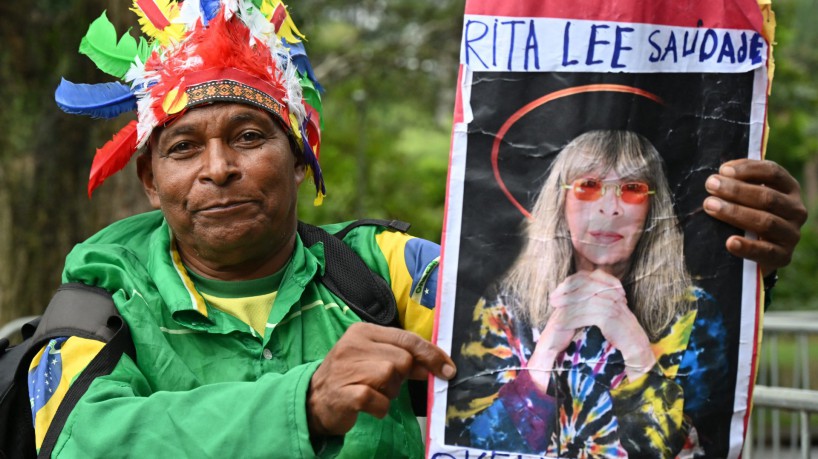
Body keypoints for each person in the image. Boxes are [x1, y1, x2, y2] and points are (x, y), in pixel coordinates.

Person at [27, 1, 806, 458]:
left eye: (251, 136)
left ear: (301, 161)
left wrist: (726, 258)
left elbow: (545, 318)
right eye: (184, 147)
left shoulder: (389, 273)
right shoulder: (97, 305)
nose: (218, 167)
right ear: (150, 178)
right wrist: (304, 402)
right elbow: (80, 439)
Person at [447, 130, 806, 458]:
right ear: (560, 203)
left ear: (652, 210)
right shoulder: (506, 306)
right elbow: (467, 443)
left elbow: (698, 449)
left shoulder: (695, 311)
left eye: (632, 189)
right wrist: (546, 352)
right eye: (588, 185)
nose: (610, 207)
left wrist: (634, 346)